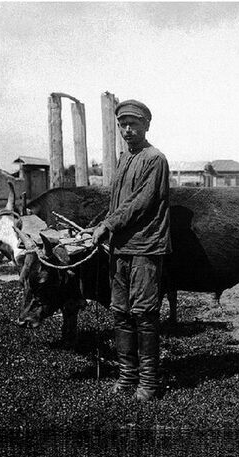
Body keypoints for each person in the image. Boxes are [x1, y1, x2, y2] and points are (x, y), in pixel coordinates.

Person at [87, 99, 172, 400]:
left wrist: (108, 225)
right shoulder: (125, 160)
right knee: (120, 312)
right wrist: (104, 227)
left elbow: (141, 203)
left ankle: (148, 383)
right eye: (122, 124)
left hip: (146, 247)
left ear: (147, 125)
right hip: (121, 248)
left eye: (133, 124)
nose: (127, 130)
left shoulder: (155, 159)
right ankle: (126, 378)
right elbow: (119, 203)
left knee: (145, 313)